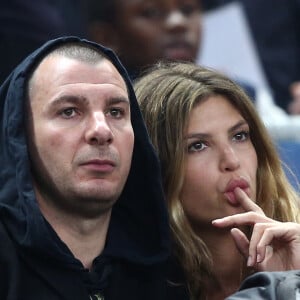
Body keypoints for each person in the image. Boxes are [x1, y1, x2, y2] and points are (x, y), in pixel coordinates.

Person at [0, 36, 188, 299]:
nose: (102, 130)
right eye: (69, 111)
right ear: (19, 133)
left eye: (115, 112)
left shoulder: (174, 273)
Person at [134, 61, 300, 299]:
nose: (231, 161)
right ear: (157, 167)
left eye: (239, 136)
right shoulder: (132, 284)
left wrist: (291, 286)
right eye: (198, 146)